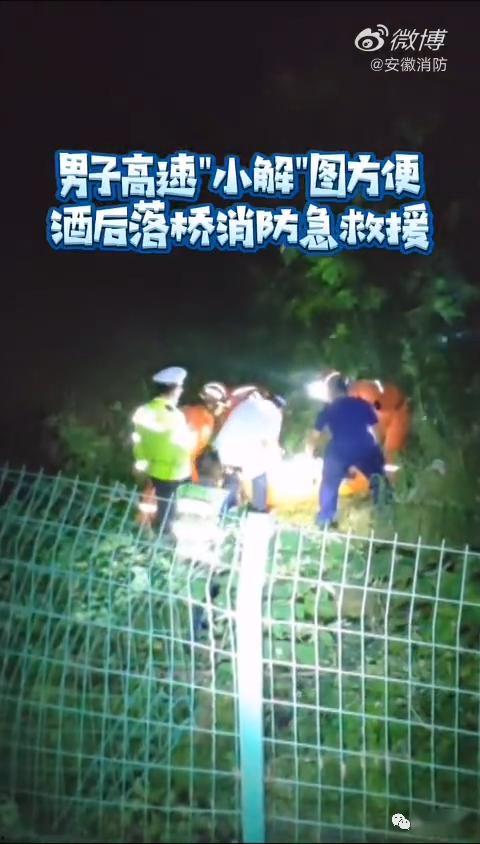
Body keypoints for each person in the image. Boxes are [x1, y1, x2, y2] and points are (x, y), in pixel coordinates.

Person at [306, 374, 390, 528]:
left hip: (339, 450)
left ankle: (326, 519)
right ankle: (385, 514)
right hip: (364, 447)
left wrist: (310, 453)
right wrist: (379, 449)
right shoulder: (362, 404)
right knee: (378, 478)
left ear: (331, 391)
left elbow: (314, 436)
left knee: (330, 483)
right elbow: (378, 431)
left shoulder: (328, 409)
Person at [132, 366, 195, 535]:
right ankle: (165, 541)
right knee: (171, 513)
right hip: (175, 471)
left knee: (159, 506)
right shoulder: (174, 415)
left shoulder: (143, 410)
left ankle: (150, 533)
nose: (181, 391)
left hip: (154, 469)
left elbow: (138, 440)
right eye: (180, 387)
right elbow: (181, 446)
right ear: (173, 390)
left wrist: (142, 462)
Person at [214, 389, 285, 513]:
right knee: (261, 475)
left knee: (233, 475)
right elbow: (270, 443)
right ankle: (258, 511)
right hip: (244, 452)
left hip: (224, 449)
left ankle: (225, 510)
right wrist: (278, 456)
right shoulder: (274, 413)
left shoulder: (247, 404)